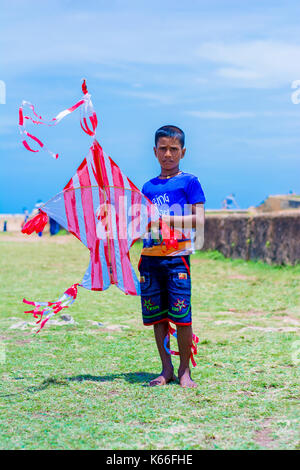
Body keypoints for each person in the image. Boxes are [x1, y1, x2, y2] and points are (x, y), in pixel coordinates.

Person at [139, 125, 205, 388]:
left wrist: (166, 219)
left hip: (178, 259)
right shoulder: (147, 187)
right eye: (163, 149)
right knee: (158, 317)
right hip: (150, 259)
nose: (168, 154)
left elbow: (198, 220)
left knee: (182, 315)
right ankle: (166, 369)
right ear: (155, 152)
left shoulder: (190, 182)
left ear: (183, 152)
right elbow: (141, 222)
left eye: (174, 149)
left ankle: (184, 370)